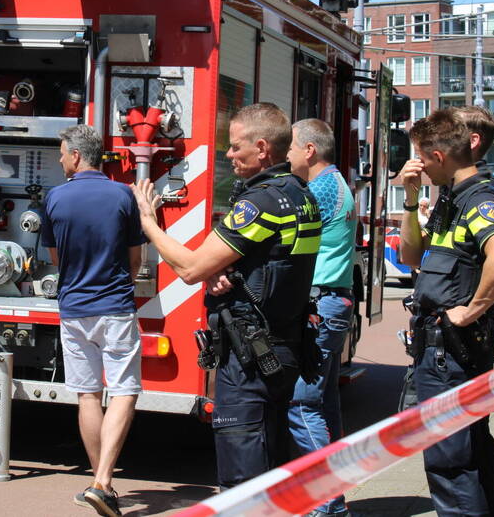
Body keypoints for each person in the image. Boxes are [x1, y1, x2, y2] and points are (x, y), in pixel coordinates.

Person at [132, 103, 321, 489]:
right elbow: (274, 264)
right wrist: (228, 272)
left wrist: (149, 223)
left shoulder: (261, 203)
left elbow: (189, 269)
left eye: (236, 147)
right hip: (283, 346)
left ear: (263, 148)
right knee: (270, 465)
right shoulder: (301, 195)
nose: (229, 154)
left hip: (251, 357)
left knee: (242, 479)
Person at [397, 109, 494, 516]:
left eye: (423, 158)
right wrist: (411, 201)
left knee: (450, 461)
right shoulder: (452, 197)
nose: (420, 166)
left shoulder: (480, 198)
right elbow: (410, 254)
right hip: (442, 349)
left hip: (452, 350)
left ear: (440, 156)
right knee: (470, 451)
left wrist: (469, 312)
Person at [40, 124, 145, 517]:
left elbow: (55, 259)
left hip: (73, 310)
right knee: (123, 391)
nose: (60, 158)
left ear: (77, 155)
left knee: (87, 395)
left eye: (62, 152)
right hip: (115, 306)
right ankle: (103, 483)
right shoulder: (122, 195)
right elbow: (135, 259)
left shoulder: (54, 199)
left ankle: (100, 483)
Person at [286, 119, 356, 517]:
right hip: (332, 303)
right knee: (325, 404)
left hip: (319, 306)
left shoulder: (319, 190)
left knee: (301, 405)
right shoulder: (338, 184)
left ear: (310, 150)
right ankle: (334, 501)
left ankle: (326, 504)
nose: (288, 154)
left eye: (292, 148)